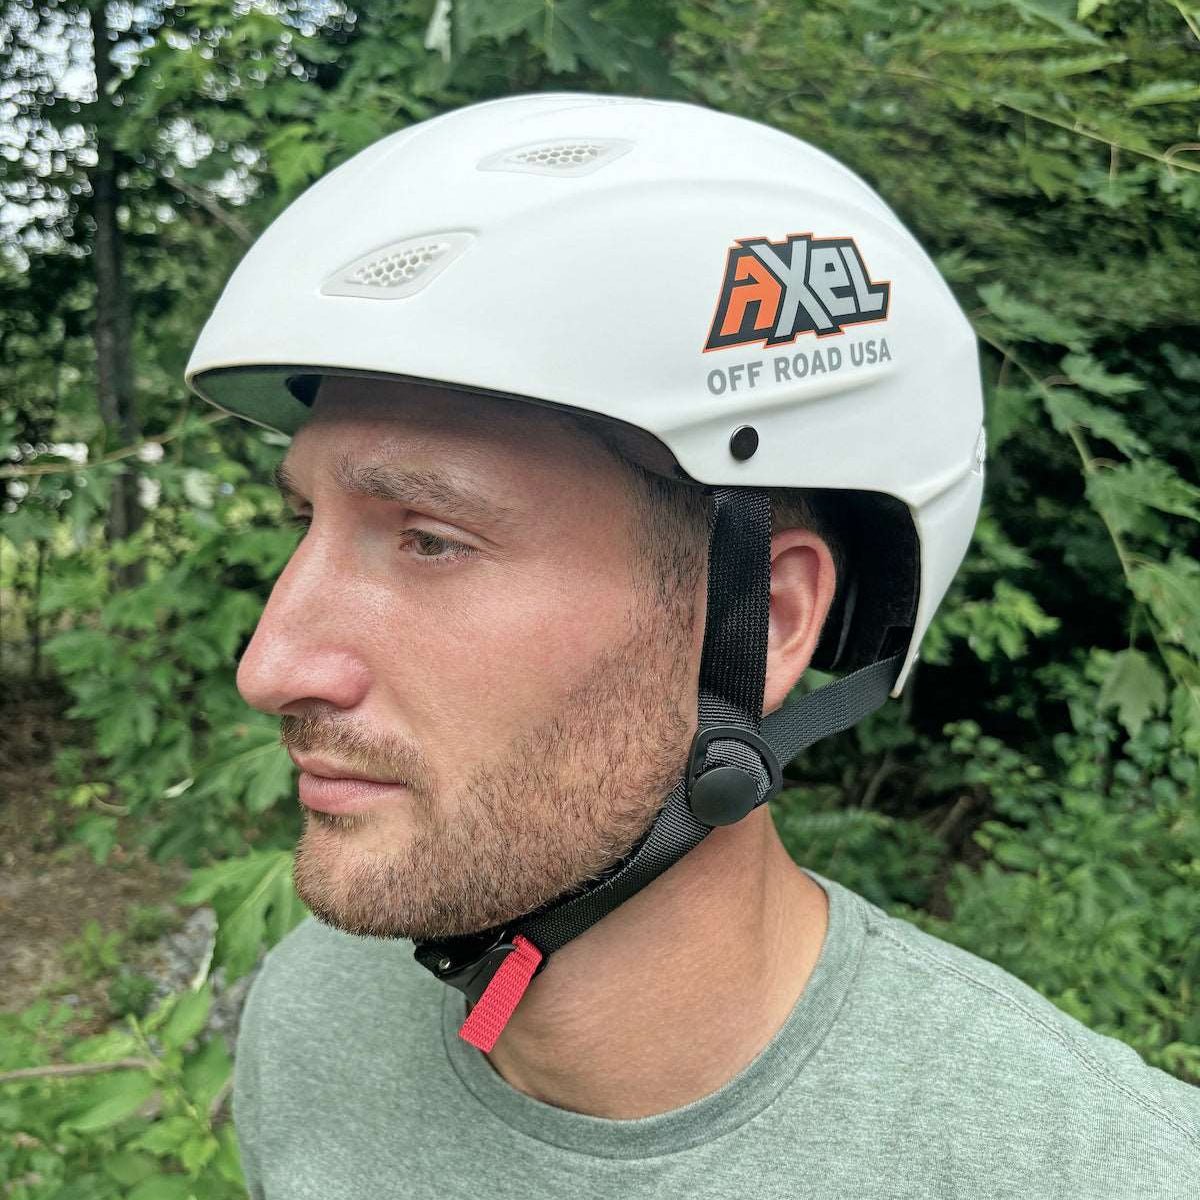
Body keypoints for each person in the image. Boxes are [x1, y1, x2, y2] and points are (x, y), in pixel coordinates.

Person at [185, 94, 1199, 1198]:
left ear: (764, 623)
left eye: (431, 540)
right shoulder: (315, 1013)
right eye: (304, 518)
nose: (269, 669)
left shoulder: (1100, 1170)